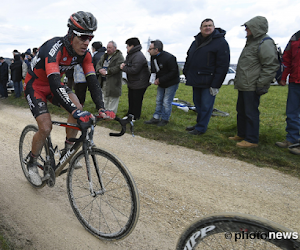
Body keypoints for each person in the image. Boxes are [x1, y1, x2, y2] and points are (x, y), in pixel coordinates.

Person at [24, 11, 115, 186]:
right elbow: (54, 82)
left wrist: (101, 107)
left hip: (55, 84)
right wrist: (73, 110)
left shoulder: (85, 54)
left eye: (90, 37)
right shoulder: (54, 48)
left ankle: (68, 148)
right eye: (82, 37)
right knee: (45, 127)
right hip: (36, 86)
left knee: (78, 108)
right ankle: (32, 162)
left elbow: (92, 80)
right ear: (71, 34)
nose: (86, 42)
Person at [229, 16, 278, 148]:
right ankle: (242, 134)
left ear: (256, 28)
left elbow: (271, 65)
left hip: (252, 85)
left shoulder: (265, 42)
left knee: (251, 113)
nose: (246, 29)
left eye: (248, 27)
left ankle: (251, 140)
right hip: (244, 84)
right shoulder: (252, 42)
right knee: (241, 110)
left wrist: (261, 83)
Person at [183, 18, 230, 135]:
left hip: (209, 81)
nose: (207, 28)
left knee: (206, 106)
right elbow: (189, 57)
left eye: (210, 25)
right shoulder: (196, 42)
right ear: (201, 28)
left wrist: (216, 84)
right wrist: (186, 72)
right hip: (196, 79)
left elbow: (223, 65)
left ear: (214, 27)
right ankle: (198, 124)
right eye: (205, 26)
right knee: (198, 105)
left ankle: (201, 128)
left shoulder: (221, 43)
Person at [275, 31, 300, 155]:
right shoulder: (296, 37)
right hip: (295, 81)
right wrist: (283, 77)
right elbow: (287, 58)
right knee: (292, 112)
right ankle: (292, 139)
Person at [144, 40, 179, 126]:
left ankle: (164, 119)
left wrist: (160, 80)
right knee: (158, 100)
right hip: (161, 83)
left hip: (171, 83)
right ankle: (156, 117)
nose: (148, 51)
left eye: (150, 49)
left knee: (166, 101)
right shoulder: (153, 57)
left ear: (156, 49)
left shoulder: (170, 58)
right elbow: (153, 70)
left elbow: (174, 72)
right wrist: (153, 79)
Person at [120, 37, 150, 120]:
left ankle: (135, 117)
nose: (126, 48)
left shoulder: (138, 56)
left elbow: (134, 70)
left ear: (132, 46)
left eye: (127, 46)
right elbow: (127, 64)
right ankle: (130, 114)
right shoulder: (131, 55)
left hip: (140, 83)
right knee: (131, 99)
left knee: (136, 101)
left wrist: (123, 68)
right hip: (133, 82)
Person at [96, 41, 124, 114]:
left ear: (115, 48)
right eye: (107, 47)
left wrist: (107, 72)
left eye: (110, 48)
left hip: (114, 81)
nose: (108, 49)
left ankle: (111, 114)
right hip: (103, 80)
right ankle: (104, 113)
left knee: (112, 98)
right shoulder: (104, 56)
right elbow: (98, 64)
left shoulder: (119, 56)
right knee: (104, 96)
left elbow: (118, 67)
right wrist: (100, 70)